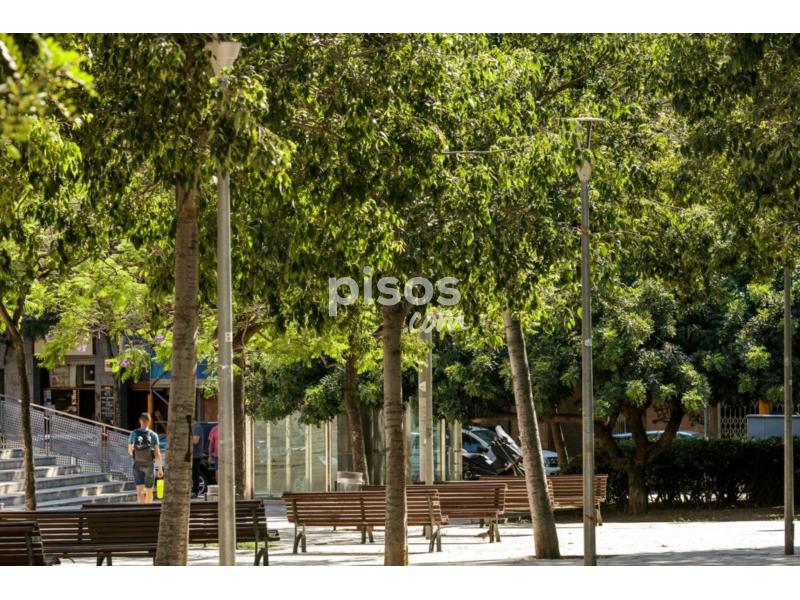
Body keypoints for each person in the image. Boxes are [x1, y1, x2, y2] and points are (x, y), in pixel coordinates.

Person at [128, 412, 163, 504]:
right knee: (149, 491)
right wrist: (160, 469)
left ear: (140, 421)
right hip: (149, 465)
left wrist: (138, 453)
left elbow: (130, 451)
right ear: (149, 421)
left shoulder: (133, 433)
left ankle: (141, 510)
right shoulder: (153, 435)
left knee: (139, 491)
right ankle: (148, 509)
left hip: (137, 464)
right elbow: (157, 453)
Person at [191, 420, 204, 496]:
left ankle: (195, 491)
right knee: (192, 474)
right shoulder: (193, 427)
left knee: (195, 474)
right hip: (191, 455)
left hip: (196, 455)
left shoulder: (197, 427)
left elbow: (196, 440)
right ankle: (192, 490)